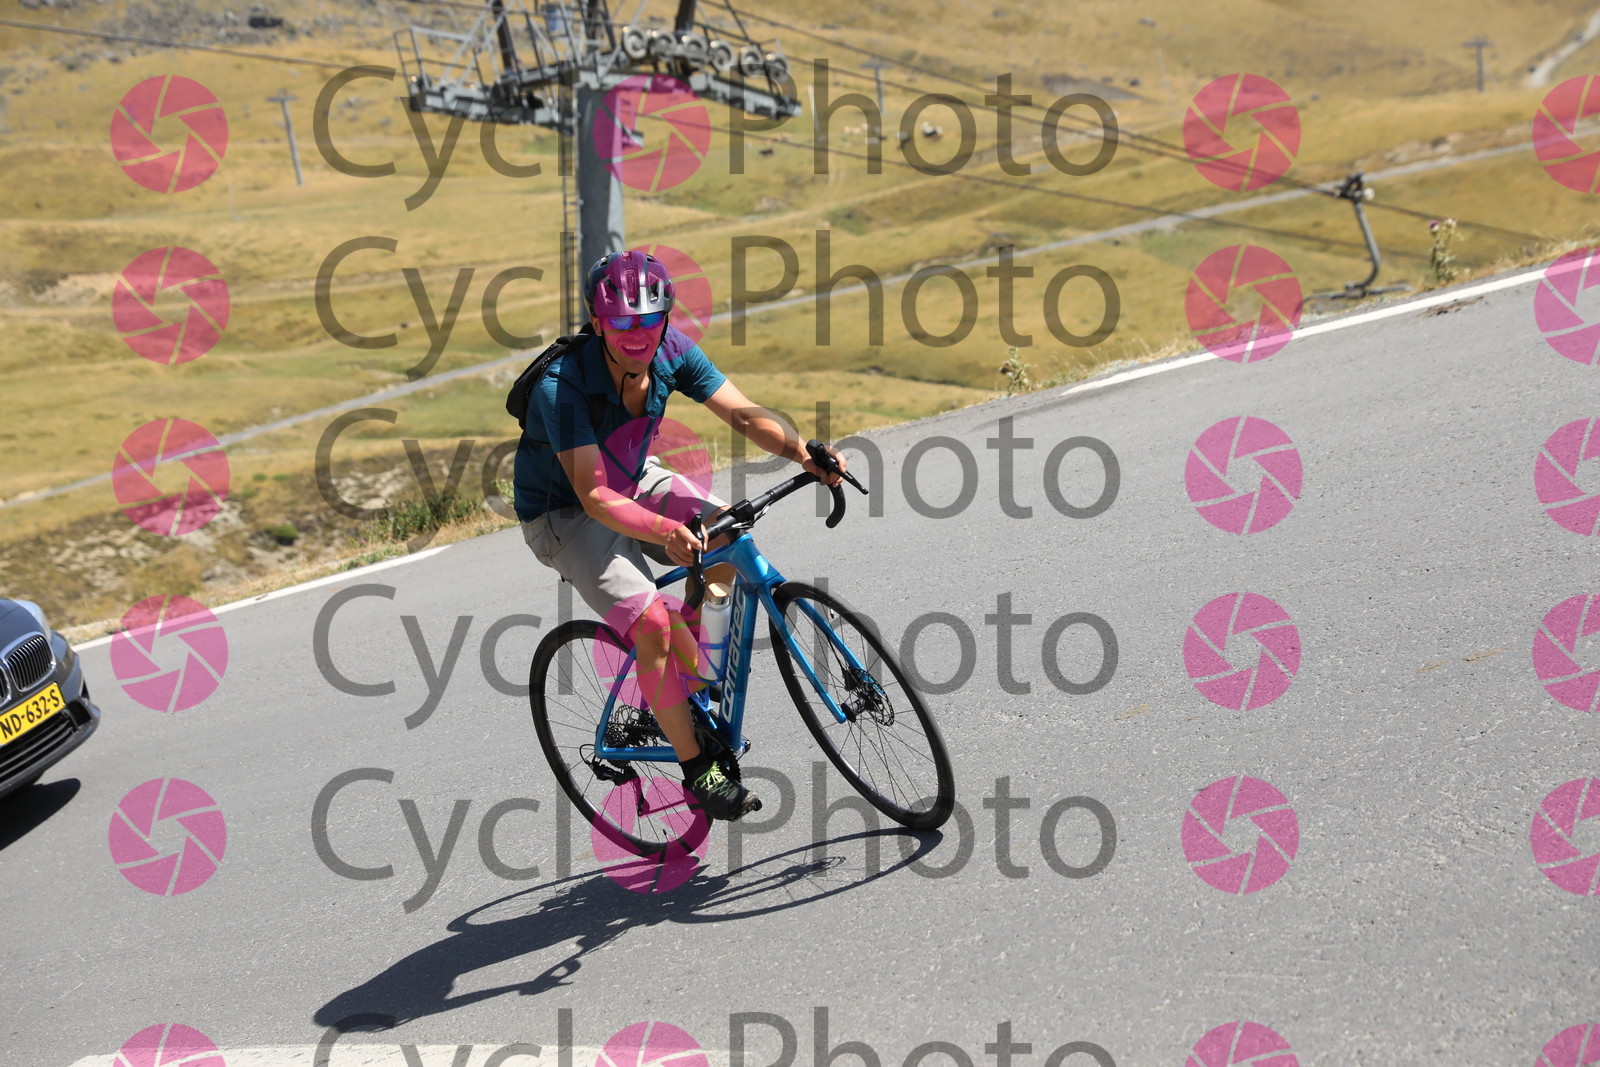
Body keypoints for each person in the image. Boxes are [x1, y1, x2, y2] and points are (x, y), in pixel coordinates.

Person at [514, 249, 846, 820]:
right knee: (653, 625)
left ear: (665, 317)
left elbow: (743, 414)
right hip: (565, 513)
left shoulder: (672, 350)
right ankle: (699, 769)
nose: (637, 334)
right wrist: (668, 530)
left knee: (729, 539)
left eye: (649, 319)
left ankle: (685, 680)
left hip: (633, 478)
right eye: (622, 322)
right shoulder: (560, 385)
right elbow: (594, 496)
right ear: (597, 322)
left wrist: (803, 453)